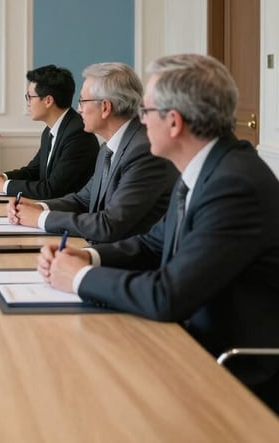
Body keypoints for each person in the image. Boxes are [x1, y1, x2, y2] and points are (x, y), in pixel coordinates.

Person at [39, 54, 279, 412]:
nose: (139, 121)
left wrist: (79, 278)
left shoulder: (234, 185)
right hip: (186, 343)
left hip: (230, 373)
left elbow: (168, 296)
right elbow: (154, 242)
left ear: (174, 122)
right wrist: (88, 256)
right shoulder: (206, 167)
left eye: (146, 112)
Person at [8, 62, 176, 242]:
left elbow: (109, 224)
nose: (78, 109)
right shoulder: (107, 148)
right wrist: (39, 207)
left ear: (105, 107)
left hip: (127, 261)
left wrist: (40, 219)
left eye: (82, 101)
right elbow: (83, 200)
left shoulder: (144, 151)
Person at [0, 64, 99, 198]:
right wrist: (3, 177)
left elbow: (51, 189)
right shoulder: (50, 131)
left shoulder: (78, 134)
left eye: (30, 97)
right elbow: (33, 172)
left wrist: (3, 186)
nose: (28, 103)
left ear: (48, 100)